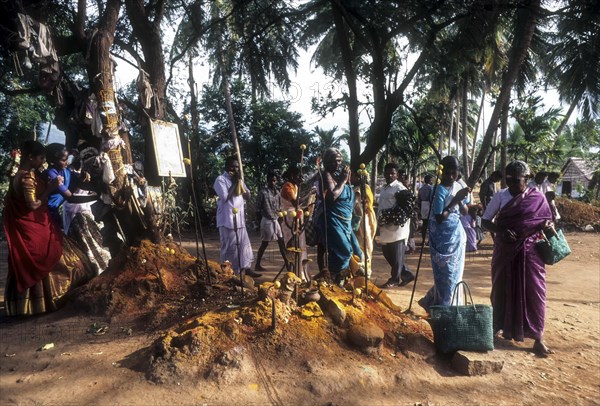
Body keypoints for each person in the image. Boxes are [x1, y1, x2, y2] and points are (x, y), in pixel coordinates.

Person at [3, 140, 95, 316]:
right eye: (41, 158)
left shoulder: (28, 174)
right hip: (33, 225)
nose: (43, 161)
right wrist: (50, 189)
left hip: (38, 223)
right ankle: (51, 300)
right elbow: (33, 206)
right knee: (51, 256)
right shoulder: (26, 178)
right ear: (31, 157)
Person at [482, 160, 554, 357]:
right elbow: (485, 221)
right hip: (505, 252)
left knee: (535, 292)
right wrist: (502, 230)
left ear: (527, 179)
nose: (513, 184)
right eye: (510, 180)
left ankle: (538, 338)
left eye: (517, 180)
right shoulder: (500, 196)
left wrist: (548, 226)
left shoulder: (538, 197)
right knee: (501, 290)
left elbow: (546, 222)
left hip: (531, 254)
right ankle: (496, 328)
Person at [419, 156, 471, 310]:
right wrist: (456, 200)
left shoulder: (458, 186)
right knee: (446, 275)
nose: (450, 175)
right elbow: (439, 217)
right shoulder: (438, 190)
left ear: (458, 172)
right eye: (446, 172)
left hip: (456, 236)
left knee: (455, 275)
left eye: (453, 172)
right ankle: (444, 308)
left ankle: (444, 305)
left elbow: (465, 211)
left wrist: (461, 200)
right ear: (441, 172)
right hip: (442, 238)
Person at [316, 148, 362, 284]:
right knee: (343, 252)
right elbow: (332, 196)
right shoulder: (326, 175)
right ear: (327, 162)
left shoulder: (339, 176)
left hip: (346, 222)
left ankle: (341, 279)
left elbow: (348, 197)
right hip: (333, 221)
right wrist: (342, 180)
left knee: (357, 252)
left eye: (340, 162)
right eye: (335, 161)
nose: (338, 165)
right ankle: (332, 281)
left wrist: (346, 181)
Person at [213, 156, 258, 277]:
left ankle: (246, 269)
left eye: (237, 166)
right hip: (227, 219)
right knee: (230, 248)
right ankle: (229, 273)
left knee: (244, 246)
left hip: (240, 219)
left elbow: (247, 196)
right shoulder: (220, 180)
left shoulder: (239, 180)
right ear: (226, 167)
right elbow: (225, 197)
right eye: (232, 166)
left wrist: (241, 184)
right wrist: (234, 183)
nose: (235, 169)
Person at [378, 162, 415, 288]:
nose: (389, 175)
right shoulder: (384, 188)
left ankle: (394, 279)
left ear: (397, 174)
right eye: (387, 173)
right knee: (387, 252)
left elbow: (407, 208)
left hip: (397, 227)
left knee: (397, 253)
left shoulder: (400, 188)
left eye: (392, 173)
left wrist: (394, 217)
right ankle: (407, 274)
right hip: (385, 225)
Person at [280, 166, 315, 280]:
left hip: (296, 218)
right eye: (298, 175)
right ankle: (294, 273)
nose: (301, 178)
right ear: (292, 176)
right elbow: (296, 203)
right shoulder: (287, 187)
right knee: (293, 245)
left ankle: (301, 273)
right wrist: (309, 194)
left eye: (301, 175)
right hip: (290, 219)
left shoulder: (294, 186)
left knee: (300, 245)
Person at [254, 171, 289, 273]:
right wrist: (260, 222)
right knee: (265, 243)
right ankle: (257, 265)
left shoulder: (277, 192)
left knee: (281, 242)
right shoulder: (263, 192)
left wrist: (280, 216)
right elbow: (257, 209)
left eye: (274, 180)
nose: (273, 182)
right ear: (267, 180)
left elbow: (279, 206)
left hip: (275, 220)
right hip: (266, 220)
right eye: (271, 180)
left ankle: (288, 265)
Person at [351, 172, 377, 276]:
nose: (350, 177)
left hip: (362, 220)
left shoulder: (361, 189)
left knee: (363, 244)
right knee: (364, 244)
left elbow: (356, 203)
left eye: (352, 175)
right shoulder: (363, 188)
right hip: (365, 218)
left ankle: (364, 271)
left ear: (358, 177)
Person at [418, 174, 434, 243]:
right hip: (429, 205)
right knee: (430, 224)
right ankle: (429, 240)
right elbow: (432, 198)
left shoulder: (421, 189)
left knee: (424, 224)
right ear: (430, 181)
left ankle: (423, 240)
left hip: (423, 205)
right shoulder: (431, 188)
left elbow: (419, 199)